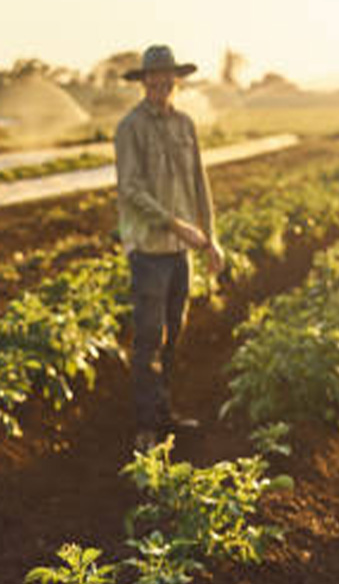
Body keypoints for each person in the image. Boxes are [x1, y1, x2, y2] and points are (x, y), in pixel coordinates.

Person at [114, 45, 225, 448]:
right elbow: (130, 189)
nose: (161, 83)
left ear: (176, 80)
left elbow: (199, 184)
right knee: (149, 339)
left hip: (180, 253)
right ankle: (145, 426)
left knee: (173, 336)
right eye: (153, 77)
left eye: (167, 77)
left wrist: (210, 239)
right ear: (144, 81)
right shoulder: (130, 127)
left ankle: (164, 415)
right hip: (149, 251)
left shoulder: (185, 125)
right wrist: (177, 225)